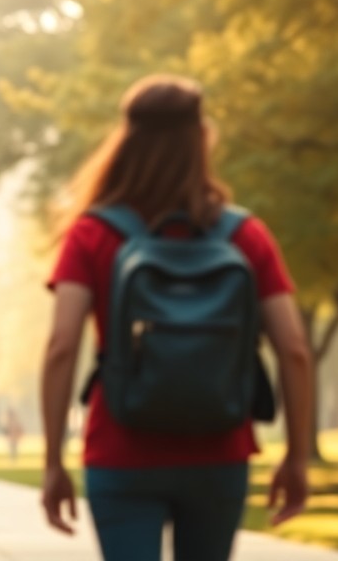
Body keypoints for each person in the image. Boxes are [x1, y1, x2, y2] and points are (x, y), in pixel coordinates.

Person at [39, 75, 313, 560]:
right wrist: (296, 456)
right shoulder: (245, 235)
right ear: (202, 139)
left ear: (126, 142)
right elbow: (293, 350)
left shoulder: (92, 234)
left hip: (121, 451)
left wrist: (52, 462)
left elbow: (62, 347)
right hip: (219, 451)